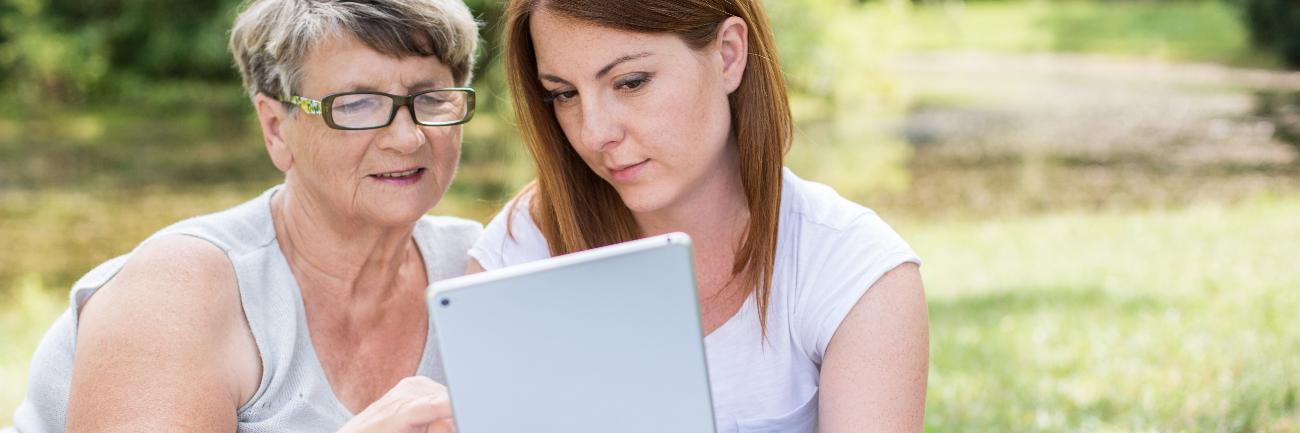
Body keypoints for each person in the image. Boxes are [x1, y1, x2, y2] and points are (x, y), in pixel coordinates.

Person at [10, 0, 480, 431]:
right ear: (276, 128)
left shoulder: (481, 267)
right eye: (356, 104)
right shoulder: (176, 290)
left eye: (432, 98)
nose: (409, 138)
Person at [467, 1, 930, 432]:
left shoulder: (851, 271)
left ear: (728, 55)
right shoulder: (522, 250)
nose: (594, 133)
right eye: (563, 94)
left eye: (630, 82)